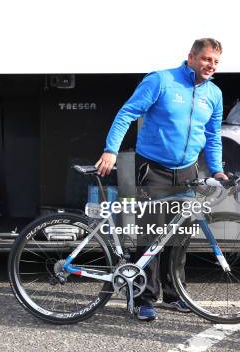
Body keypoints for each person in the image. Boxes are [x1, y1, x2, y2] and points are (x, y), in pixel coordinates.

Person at [95, 38, 228, 321]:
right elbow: (127, 113)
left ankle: (174, 293)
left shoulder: (214, 94)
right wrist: (111, 151)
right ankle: (145, 297)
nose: (210, 66)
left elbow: (213, 135)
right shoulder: (161, 80)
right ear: (191, 56)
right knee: (151, 235)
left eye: (216, 62)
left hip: (189, 171)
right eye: (206, 59)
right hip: (153, 169)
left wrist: (216, 170)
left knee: (179, 236)